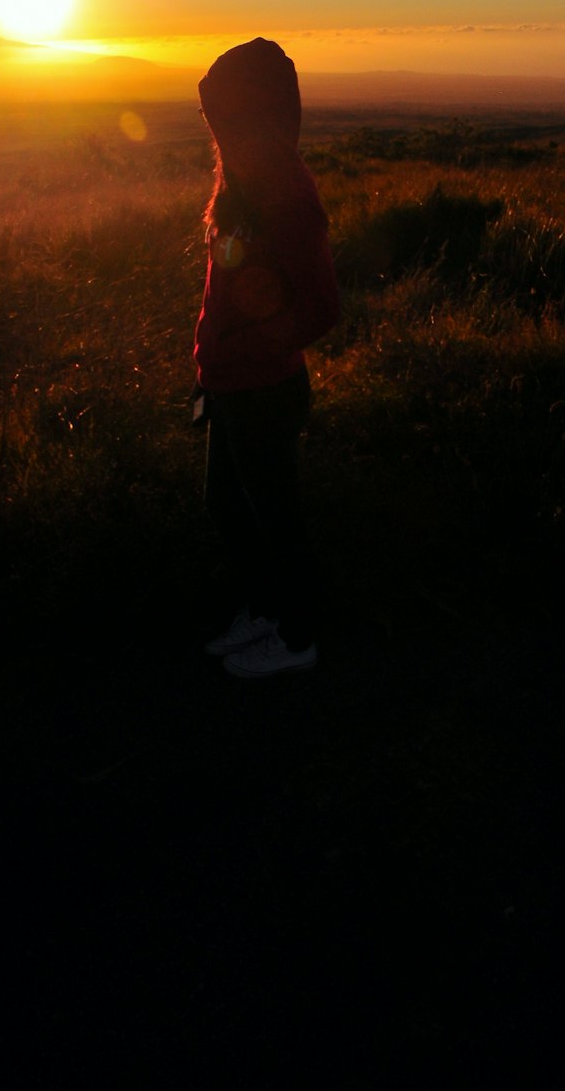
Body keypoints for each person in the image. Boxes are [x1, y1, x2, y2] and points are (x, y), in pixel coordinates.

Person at [193, 38, 340, 677]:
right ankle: (266, 611)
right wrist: (210, 366)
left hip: (264, 390)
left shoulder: (285, 192)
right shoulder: (242, 182)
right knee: (229, 507)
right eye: (213, 120)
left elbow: (321, 309)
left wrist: (239, 353)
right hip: (232, 385)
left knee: (277, 520)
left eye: (227, 117)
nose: (219, 132)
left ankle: (299, 635)